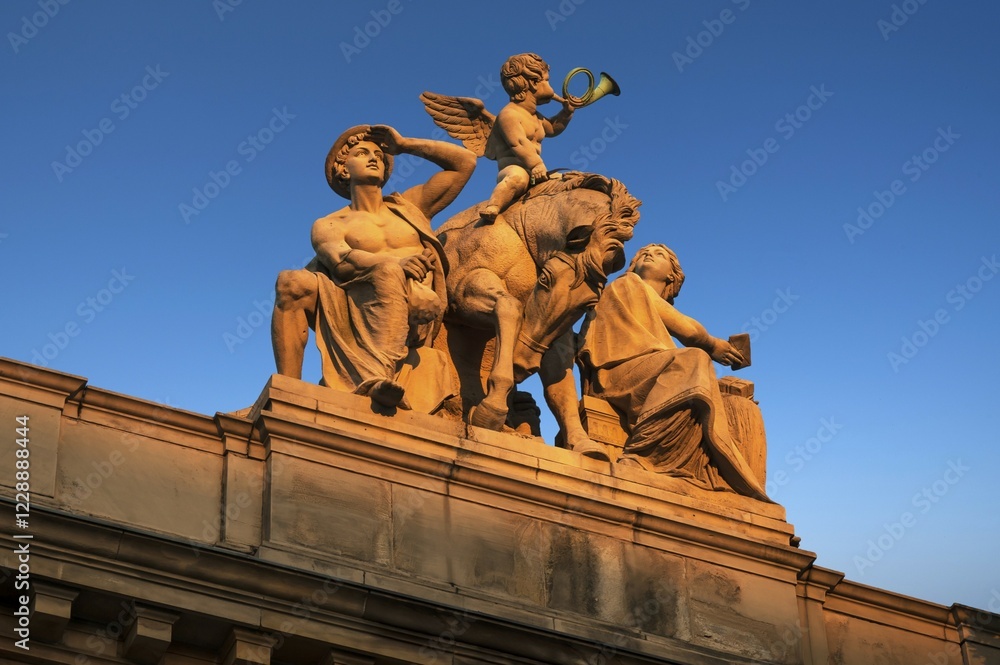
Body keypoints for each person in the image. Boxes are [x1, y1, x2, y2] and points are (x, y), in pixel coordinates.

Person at [271, 124, 475, 409]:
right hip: (354, 301)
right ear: (344, 169)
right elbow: (341, 262)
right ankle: (289, 389)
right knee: (290, 281)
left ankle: (380, 376)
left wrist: (404, 145)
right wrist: (397, 263)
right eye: (362, 153)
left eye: (379, 155)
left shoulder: (410, 207)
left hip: (415, 308)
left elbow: (465, 163)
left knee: (388, 271)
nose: (374, 158)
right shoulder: (330, 223)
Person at [577, 244, 769, 501]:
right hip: (617, 374)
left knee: (742, 408)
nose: (648, 254)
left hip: (649, 373)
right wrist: (713, 345)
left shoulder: (650, 311)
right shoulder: (627, 285)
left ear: (672, 275)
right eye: (643, 253)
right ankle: (642, 453)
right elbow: (689, 332)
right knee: (694, 359)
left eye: (660, 254)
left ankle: (739, 494)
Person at [480, 53, 575, 222]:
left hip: (537, 171)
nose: (550, 85)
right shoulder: (509, 114)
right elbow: (518, 143)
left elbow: (553, 128)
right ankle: (493, 205)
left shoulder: (535, 117)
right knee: (518, 178)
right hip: (513, 168)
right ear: (533, 83)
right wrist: (536, 164)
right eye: (546, 80)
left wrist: (566, 113)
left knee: (568, 180)